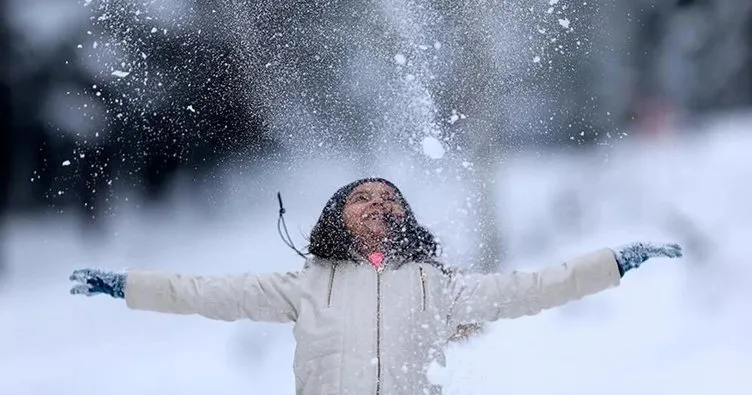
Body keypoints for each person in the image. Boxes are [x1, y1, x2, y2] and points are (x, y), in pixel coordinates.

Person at [69, 177, 683, 395]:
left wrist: (615, 262)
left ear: (405, 218)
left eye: (389, 198)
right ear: (337, 216)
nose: (376, 204)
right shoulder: (305, 285)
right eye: (361, 197)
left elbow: (534, 287)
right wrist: (125, 285)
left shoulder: (437, 288)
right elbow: (202, 291)